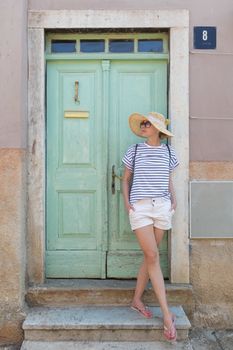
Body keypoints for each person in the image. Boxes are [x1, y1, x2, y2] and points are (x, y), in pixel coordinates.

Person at [122, 112, 179, 342]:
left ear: (158, 129)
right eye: (142, 123)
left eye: (148, 123)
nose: (143, 126)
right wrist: (128, 203)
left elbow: (168, 179)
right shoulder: (134, 150)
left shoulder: (168, 152)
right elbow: (125, 179)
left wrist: (173, 200)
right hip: (141, 208)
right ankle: (167, 315)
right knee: (152, 255)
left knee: (150, 257)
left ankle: (136, 300)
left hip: (163, 206)